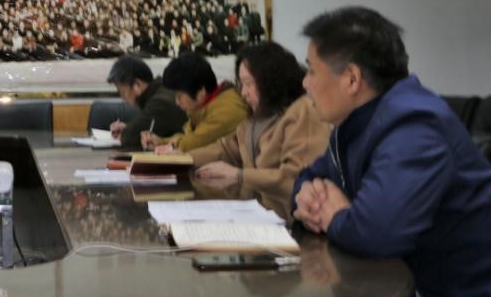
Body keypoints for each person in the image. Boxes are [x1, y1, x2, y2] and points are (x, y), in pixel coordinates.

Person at [293, 6, 491, 297]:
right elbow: (313, 176)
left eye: (312, 70)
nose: (305, 83)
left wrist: (335, 216)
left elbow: (375, 232)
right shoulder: (352, 128)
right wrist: (305, 196)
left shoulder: (414, 125)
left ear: (352, 79)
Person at [189, 42, 329, 198]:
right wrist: (179, 158)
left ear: (271, 80)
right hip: (252, 209)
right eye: (241, 84)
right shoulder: (257, 119)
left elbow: (296, 179)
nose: (244, 93)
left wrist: (239, 175)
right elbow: (227, 149)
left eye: (249, 83)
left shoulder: (303, 113)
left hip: (286, 212)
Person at [144, 51, 246, 152]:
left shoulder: (226, 110)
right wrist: (161, 142)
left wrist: (166, 143)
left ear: (200, 92)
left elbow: (192, 145)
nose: (177, 102)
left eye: (180, 96)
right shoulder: (209, 105)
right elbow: (191, 137)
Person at [105, 55, 185, 147]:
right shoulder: (161, 91)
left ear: (137, 85)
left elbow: (130, 137)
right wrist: (127, 127)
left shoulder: (159, 103)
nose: (123, 98)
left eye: (122, 92)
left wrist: (125, 132)